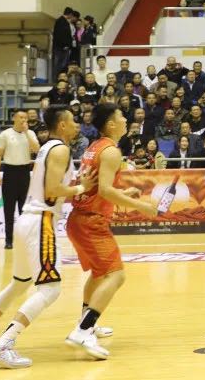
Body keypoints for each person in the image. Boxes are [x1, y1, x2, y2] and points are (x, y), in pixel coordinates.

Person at [0, 107, 97, 368]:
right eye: (72, 121)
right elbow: (52, 190)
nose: (77, 125)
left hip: (27, 220)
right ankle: (2, 345)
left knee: (19, 283)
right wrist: (82, 187)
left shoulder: (46, 147)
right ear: (61, 125)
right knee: (51, 289)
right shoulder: (60, 149)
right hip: (41, 221)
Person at [64, 103, 159, 360]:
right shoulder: (111, 151)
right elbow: (105, 190)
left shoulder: (95, 147)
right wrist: (141, 206)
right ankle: (83, 330)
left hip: (78, 219)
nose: (126, 120)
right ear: (111, 124)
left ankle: (86, 322)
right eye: (121, 116)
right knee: (116, 275)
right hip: (91, 222)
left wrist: (123, 193)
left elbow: (99, 188)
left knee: (99, 274)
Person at [0, 110, 40, 249]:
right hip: (10, 172)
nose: (23, 120)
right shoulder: (5, 134)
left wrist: (26, 132)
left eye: (25, 118)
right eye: (20, 117)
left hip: (24, 172)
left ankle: (24, 240)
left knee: (24, 209)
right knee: (9, 209)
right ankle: (9, 240)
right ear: (14, 118)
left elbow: (37, 149)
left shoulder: (30, 133)